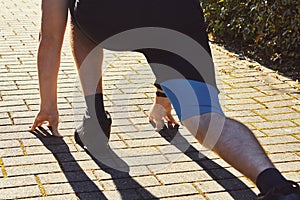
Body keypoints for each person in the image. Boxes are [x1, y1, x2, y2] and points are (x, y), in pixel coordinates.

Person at [29, 0, 300, 199]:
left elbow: (51, 37)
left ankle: (94, 116)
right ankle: (275, 184)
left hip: (105, 18)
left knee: (76, 13)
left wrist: (48, 106)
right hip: (174, 13)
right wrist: (164, 94)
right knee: (203, 116)